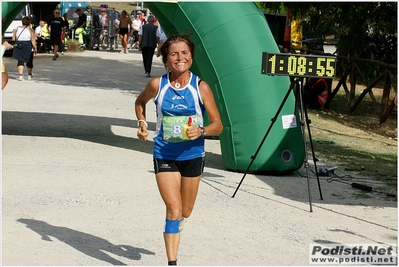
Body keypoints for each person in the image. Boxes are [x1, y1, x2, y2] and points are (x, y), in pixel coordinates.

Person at [135, 34, 223, 266]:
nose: (180, 57)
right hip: (165, 154)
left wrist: (201, 131)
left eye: (185, 53)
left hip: (193, 155)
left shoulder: (200, 87)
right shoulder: (157, 85)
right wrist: (142, 124)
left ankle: (178, 221)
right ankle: (172, 262)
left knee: (186, 210)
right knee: (173, 209)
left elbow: (218, 124)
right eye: (174, 53)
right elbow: (139, 102)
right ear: (166, 60)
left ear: (191, 58)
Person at [12, 16, 37, 81]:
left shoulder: (17, 29)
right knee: (29, 61)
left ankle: (20, 75)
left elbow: (13, 38)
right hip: (28, 45)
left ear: (22, 22)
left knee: (20, 61)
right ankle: (29, 75)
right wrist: (35, 47)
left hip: (19, 45)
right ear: (29, 22)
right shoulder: (30, 30)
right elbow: (32, 39)